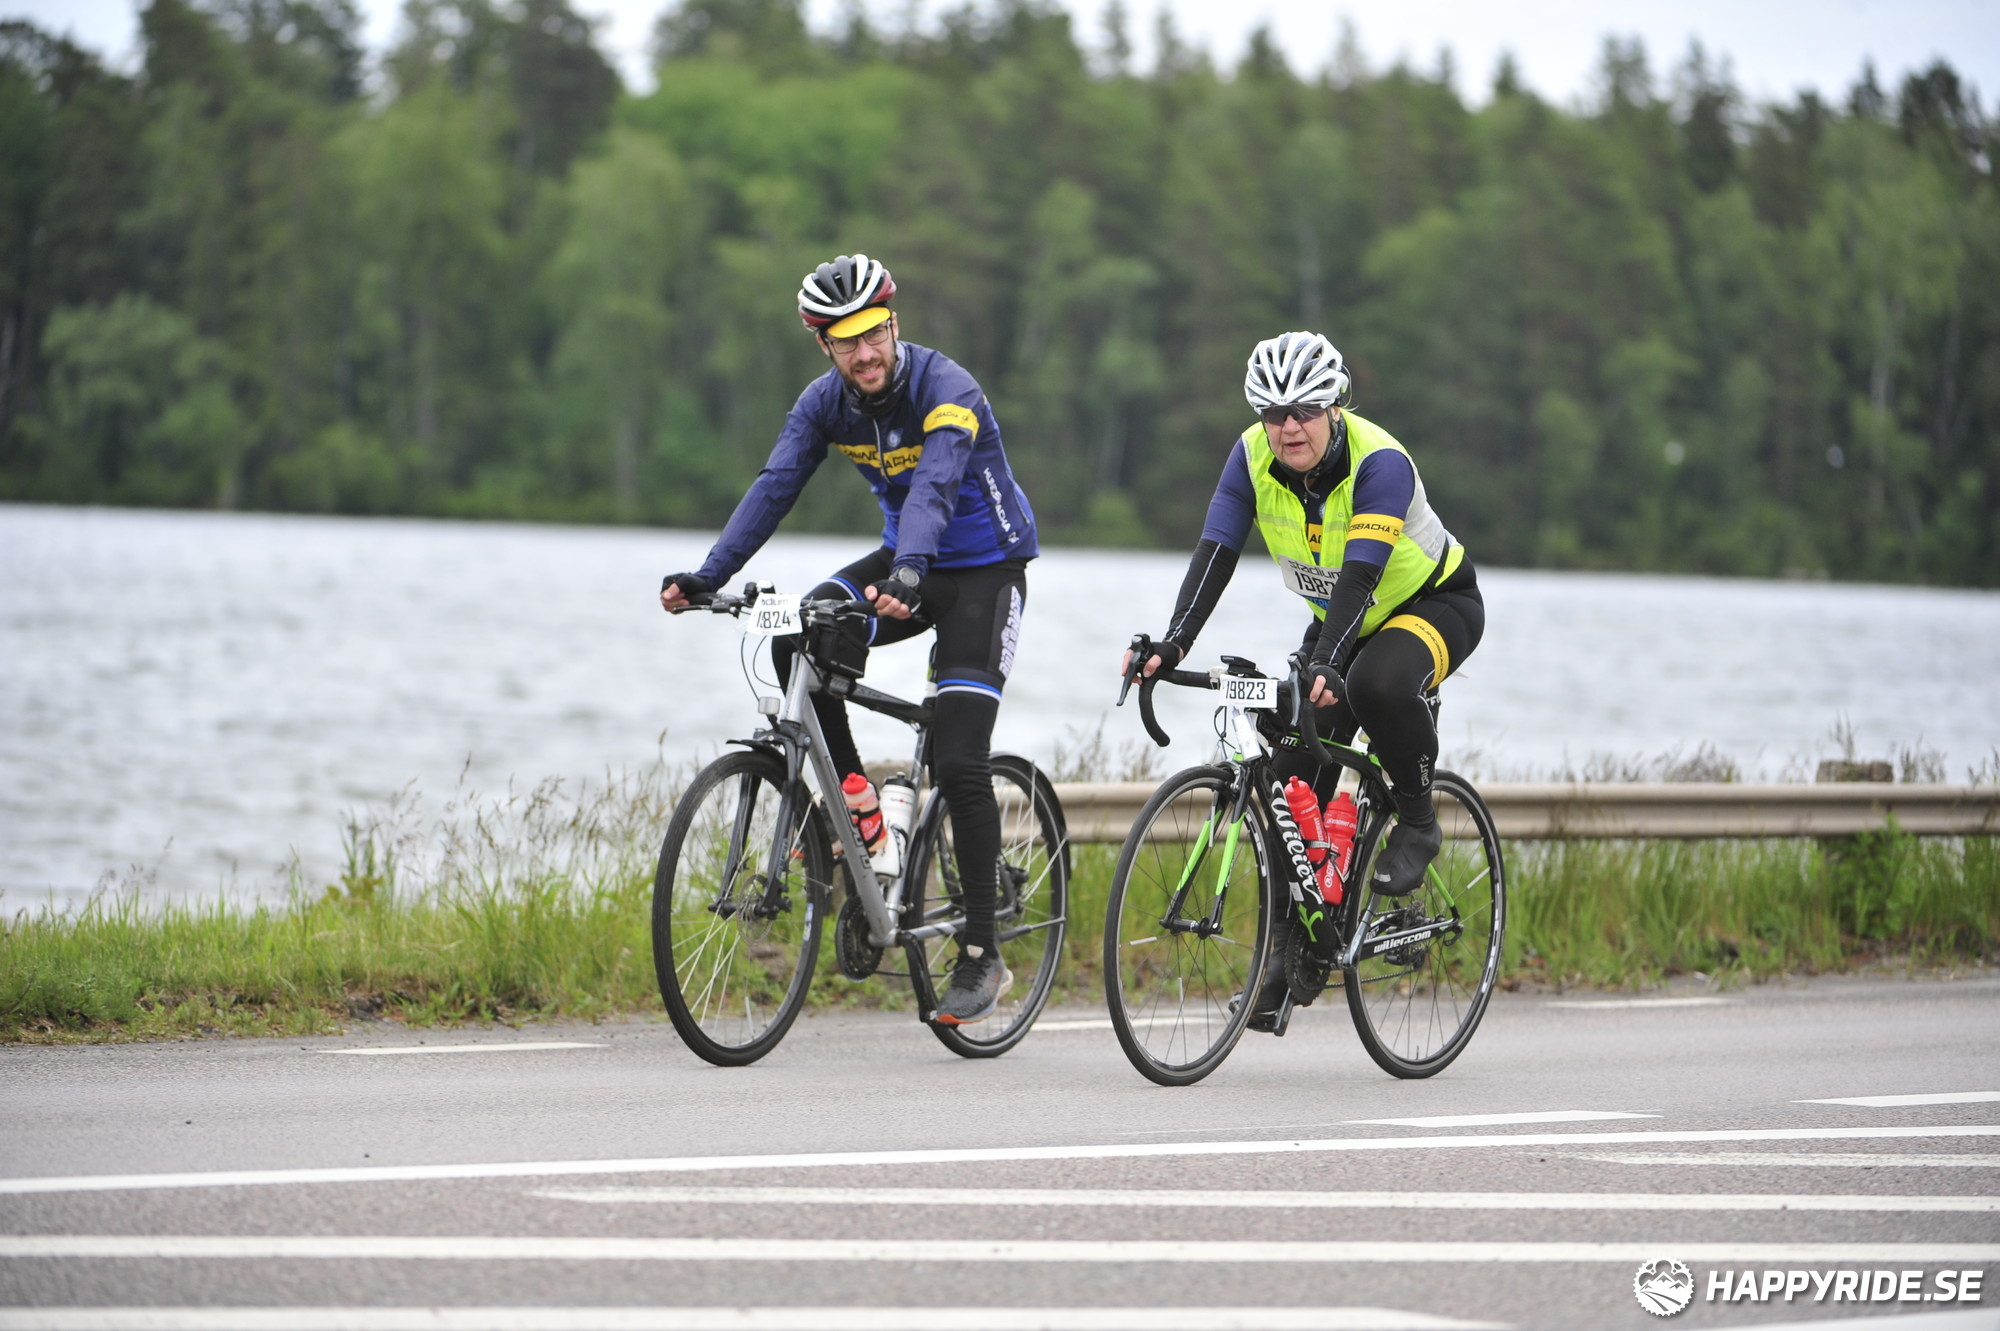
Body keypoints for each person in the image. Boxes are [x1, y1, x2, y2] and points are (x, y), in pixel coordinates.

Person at [660, 254, 1038, 1026]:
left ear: (894, 324)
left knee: (960, 760)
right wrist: (708, 574)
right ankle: (860, 810)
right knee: (798, 638)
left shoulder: (949, 390)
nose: (864, 354)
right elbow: (775, 484)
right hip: (904, 564)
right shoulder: (824, 403)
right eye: (844, 342)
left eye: (873, 335)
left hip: (983, 573)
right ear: (823, 346)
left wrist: (910, 570)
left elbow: (935, 486)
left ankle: (981, 951)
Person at [1126, 330, 1485, 1027]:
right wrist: (1172, 644)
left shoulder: (1380, 464)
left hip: (1433, 605)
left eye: (1305, 411)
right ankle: (1290, 955)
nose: (1289, 426)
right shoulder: (1251, 456)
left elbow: (1360, 577)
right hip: (1340, 621)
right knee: (1289, 771)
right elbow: (1215, 553)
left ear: (1335, 407)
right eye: (1273, 413)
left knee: (1377, 685)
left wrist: (1327, 663)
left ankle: (1417, 819)